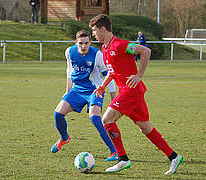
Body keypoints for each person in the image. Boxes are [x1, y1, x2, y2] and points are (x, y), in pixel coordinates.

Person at [89, 14, 183, 174]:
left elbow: (145, 51)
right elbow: (113, 72)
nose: (93, 34)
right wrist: (103, 86)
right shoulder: (105, 49)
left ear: (103, 29)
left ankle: (122, 159)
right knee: (145, 128)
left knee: (107, 119)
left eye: (95, 31)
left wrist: (139, 75)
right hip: (130, 93)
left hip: (131, 91)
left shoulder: (120, 45)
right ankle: (173, 156)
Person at [51, 29, 118, 162]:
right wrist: (67, 90)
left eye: (86, 43)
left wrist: (113, 98)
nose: (84, 46)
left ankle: (114, 151)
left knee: (95, 118)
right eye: (81, 43)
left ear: (90, 42)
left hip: (95, 89)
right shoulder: (69, 52)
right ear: (76, 43)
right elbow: (69, 70)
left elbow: (108, 76)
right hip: (77, 89)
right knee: (58, 114)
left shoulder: (97, 55)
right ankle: (64, 138)